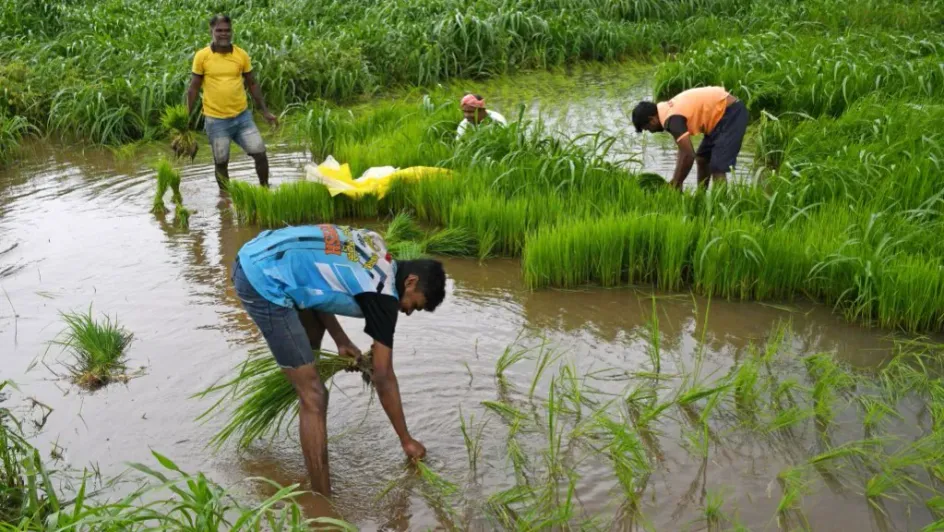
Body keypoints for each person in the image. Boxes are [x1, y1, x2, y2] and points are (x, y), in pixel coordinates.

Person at [230, 223, 447, 497]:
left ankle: (308, 421)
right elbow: (383, 375)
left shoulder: (377, 249)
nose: (408, 312)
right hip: (262, 278)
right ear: (411, 282)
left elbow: (317, 283)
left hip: (261, 252)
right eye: (414, 305)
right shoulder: (383, 296)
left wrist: (341, 339)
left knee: (309, 370)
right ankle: (323, 505)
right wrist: (407, 441)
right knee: (314, 395)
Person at [187, 13, 278, 190]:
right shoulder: (202, 57)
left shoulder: (241, 55)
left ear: (232, 31)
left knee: (260, 153)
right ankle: (225, 199)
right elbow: (193, 88)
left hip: (242, 118)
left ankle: (265, 190)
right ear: (211, 31)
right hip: (216, 120)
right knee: (221, 162)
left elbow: (252, 84)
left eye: (227, 30)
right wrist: (185, 117)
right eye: (219, 30)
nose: (223, 34)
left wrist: (265, 111)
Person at [632, 86, 748, 190]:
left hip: (730, 113)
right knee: (702, 159)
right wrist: (677, 180)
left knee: (717, 166)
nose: (651, 132)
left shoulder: (672, 118)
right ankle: (701, 197)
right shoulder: (666, 112)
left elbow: (688, 155)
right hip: (717, 118)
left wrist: (676, 183)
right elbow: (682, 150)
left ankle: (720, 205)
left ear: (652, 120)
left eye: (647, 128)